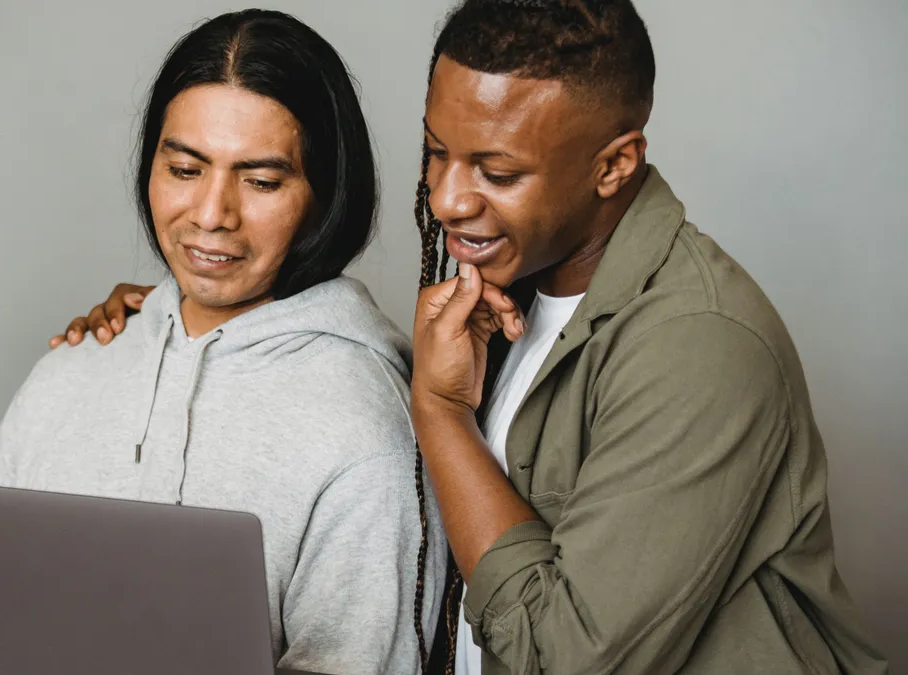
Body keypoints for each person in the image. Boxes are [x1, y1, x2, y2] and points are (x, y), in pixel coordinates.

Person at [66, 1, 888, 673]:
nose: (452, 198)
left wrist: (441, 413)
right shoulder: (503, 278)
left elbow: (561, 658)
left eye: (498, 172)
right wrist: (179, 322)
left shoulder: (699, 347)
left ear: (614, 165)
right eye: (435, 152)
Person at [0, 10, 445, 675]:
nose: (211, 214)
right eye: (186, 168)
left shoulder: (367, 430)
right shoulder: (69, 373)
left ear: (324, 194)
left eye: (260, 181)